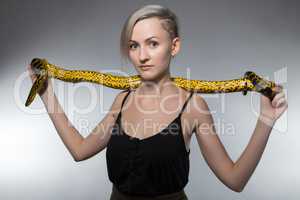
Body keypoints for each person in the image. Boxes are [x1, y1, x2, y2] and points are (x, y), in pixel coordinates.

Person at [27, 4, 288, 200]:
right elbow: (80, 151)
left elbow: (235, 180)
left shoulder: (193, 107)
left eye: (153, 44)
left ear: (173, 47)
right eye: (133, 46)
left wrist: (266, 120)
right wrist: (46, 93)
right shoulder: (122, 100)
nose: (142, 56)